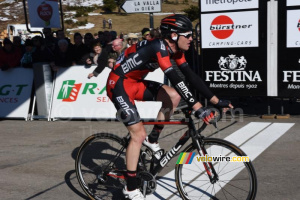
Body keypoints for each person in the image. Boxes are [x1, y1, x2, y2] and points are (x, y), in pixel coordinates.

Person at [105, 14, 233, 200]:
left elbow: (191, 77)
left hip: (135, 82)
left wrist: (215, 101)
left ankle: (153, 139)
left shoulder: (176, 51)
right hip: (118, 84)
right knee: (138, 135)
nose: (191, 39)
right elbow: (176, 79)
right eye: (188, 35)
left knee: (172, 97)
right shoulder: (158, 47)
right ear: (174, 35)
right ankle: (131, 188)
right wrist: (198, 107)